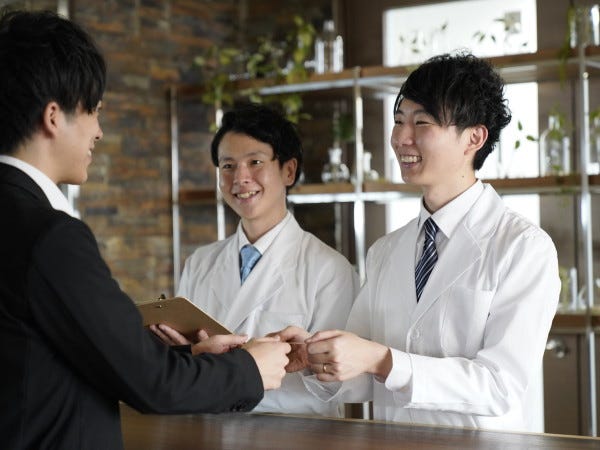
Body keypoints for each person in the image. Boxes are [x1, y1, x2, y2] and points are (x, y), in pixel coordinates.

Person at [0, 9, 291, 449]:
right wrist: (250, 369)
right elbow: (153, 383)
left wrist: (189, 357)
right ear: (54, 116)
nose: (99, 131)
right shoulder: (51, 236)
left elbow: (68, 350)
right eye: (94, 111)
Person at [292, 53, 560, 432]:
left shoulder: (523, 248)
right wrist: (315, 357)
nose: (401, 138)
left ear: (474, 137)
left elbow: (500, 386)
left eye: (422, 122)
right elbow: (363, 376)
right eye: (399, 120)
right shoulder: (386, 250)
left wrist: (383, 360)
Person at [151, 103, 358, 417]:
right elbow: (185, 369)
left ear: (288, 171)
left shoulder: (329, 269)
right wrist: (184, 352)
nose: (240, 178)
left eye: (255, 162)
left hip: (292, 432)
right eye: (228, 166)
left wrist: (306, 361)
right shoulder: (200, 262)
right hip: (208, 427)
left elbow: (342, 384)